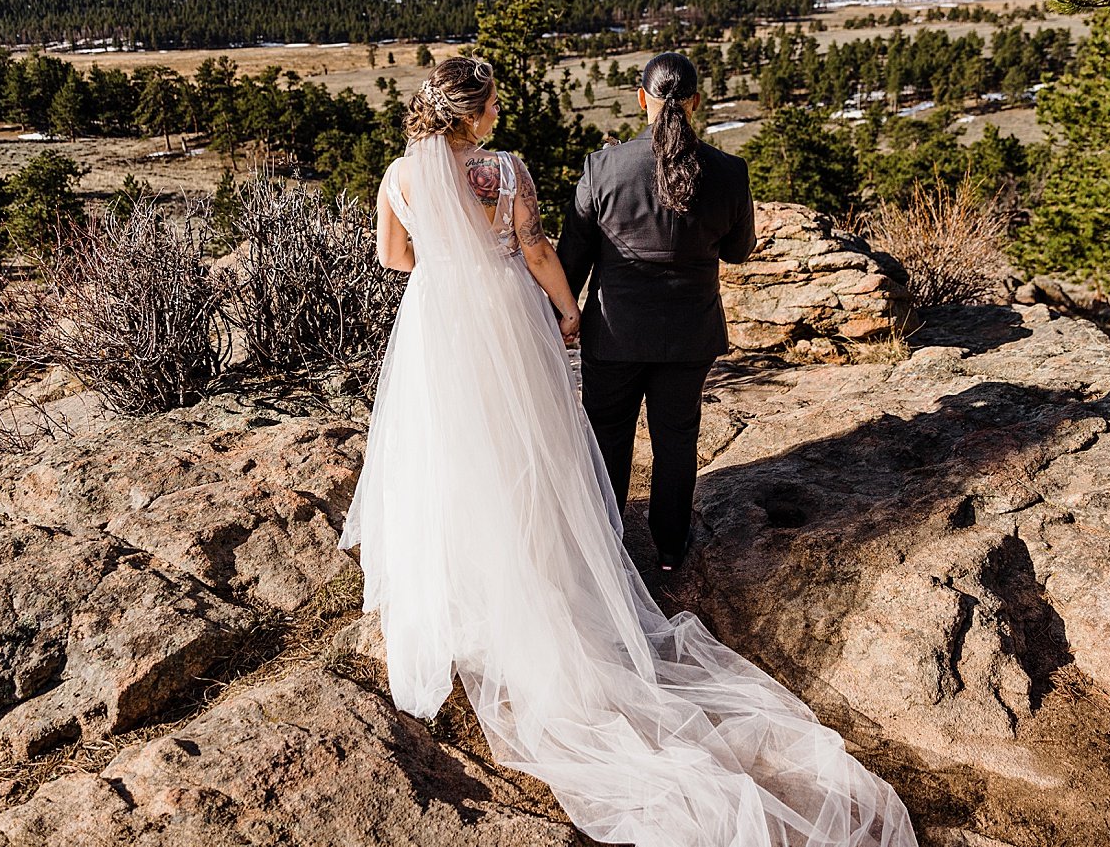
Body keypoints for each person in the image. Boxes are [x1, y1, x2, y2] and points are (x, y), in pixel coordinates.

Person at [340, 55, 915, 847]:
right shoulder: (512, 171)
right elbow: (542, 248)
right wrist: (559, 307)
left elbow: (395, 258)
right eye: (496, 100)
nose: (503, 109)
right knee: (553, 447)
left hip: (444, 322)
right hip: (550, 321)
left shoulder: (407, 175)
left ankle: (496, 563)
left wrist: (467, 266)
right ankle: (631, 555)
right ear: (472, 114)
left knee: (452, 447)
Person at [556, 51, 754, 571]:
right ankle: (669, 548)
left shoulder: (603, 169)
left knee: (607, 439)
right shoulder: (730, 173)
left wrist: (562, 314)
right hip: (691, 334)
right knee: (676, 438)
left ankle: (605, 547)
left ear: (641, 98)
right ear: (693, 102)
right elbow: (737, 250)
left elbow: (571, 257)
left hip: (615, 333)